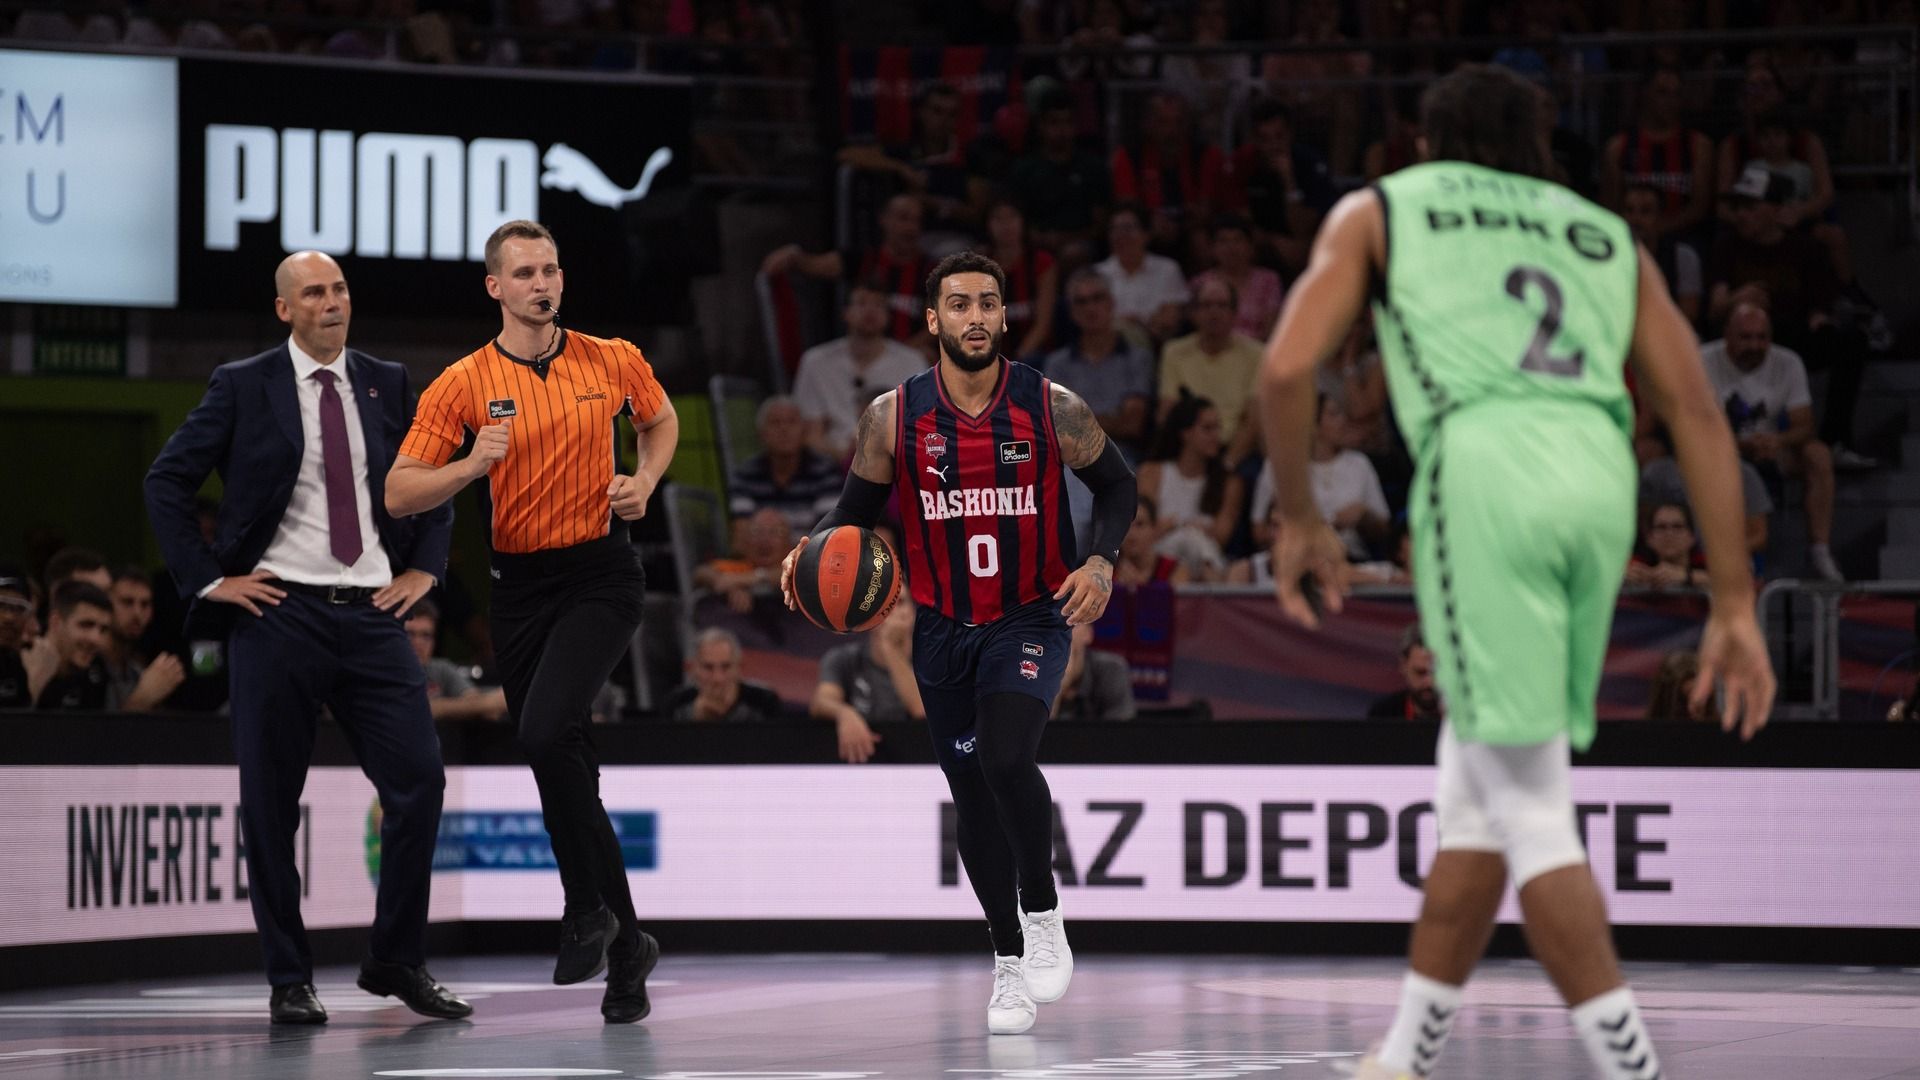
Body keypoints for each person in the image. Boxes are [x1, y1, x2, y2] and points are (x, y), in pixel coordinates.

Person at [1256, 65, 1774, 1080]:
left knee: (1530, 801)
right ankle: (1407, 1054)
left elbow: (1282, 367)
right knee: (1480, 782)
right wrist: (1733, 598)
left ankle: (1632, 1065)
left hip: (1487, 467)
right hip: (1600, 475)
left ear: (1426, 144)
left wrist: (1303, 518)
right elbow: (1697, 411)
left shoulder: (1384, 208)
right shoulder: (1605, 233)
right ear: (1540, 148)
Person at [780, 251, 1137, 1035]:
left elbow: (1118, 484)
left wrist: (1101, 561)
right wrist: (810, 552)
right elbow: (854, 513)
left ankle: (1043, 912)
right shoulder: (893, 416)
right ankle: (1007, 961)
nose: (975, 317)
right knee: (971, 794)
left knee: (1007, 759)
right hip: (941, 626)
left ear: (1004, 318)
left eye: (988, 303)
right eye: (959, 304)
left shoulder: (1051, 405)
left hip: (1029, 616)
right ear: (933, 320)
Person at [144, 251, 467, 1025]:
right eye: (315, 292)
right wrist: (209, 581)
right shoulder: (242, 384)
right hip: (277, 614)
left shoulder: (388, 381)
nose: (332, 302)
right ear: (284, 309)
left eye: (340, 289)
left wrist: (425, 567)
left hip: (374, 614)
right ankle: (289, 978)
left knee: (420, 782)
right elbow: (166, 481)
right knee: (270, 803)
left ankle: (395, 959)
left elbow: (432, 477)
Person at [386, 219, 678, 1024]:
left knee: (545, 732)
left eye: (550, 270)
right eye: (524, 274)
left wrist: (645, 480)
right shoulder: (463, 382)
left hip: (601, 576)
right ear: (495, 287)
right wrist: (470, 465)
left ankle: (585, 908)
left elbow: (659, 421)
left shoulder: (611, 358)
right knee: (565, 761)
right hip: (517, 590)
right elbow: (400, 491)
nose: (541, 284)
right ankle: (628, 948)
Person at [1702, 304, 1843, 581]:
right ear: (1727, 335)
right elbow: (1695, 425)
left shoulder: (1788, 362)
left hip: (1770, 448)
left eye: (1762, 337)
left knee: (1818, 454)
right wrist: (1739, 445)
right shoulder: (1702, 361)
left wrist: (1778, 440)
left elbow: (1804, 425)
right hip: (1718, 450)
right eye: (1746, 337)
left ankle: (1819, 551)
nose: (1755, 345)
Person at [790, 279, 930, 461]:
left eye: (878, 304)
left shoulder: (912, 361)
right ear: (846, 313)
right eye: (861, 303)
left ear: (888, 315)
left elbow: (920, 429)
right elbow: (810, 434)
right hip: (831, 463)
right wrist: (848, 458)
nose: (870, 311)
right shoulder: (816, 361)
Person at [1040, 269, 1155, 460]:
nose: (1090, 308)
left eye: (1097, 298)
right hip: (1071, 460)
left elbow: (1132, 425)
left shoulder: (1137, 358)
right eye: (1081, 302)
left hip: (1123, 458)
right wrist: (1113, 418)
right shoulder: (1057, 364)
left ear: (1111, 303)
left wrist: (1080, 420)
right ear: (1072, 311)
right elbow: (1059, 429)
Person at [1158, 276, 1264, 462]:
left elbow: (1253, 420)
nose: (1214, 312)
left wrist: (1228, 464)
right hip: (1188, 451)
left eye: (1222, 305)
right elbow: (1168, 412)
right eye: (1206, 305)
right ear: (1194, 313)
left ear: (1234, 313)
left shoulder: (1257, 354)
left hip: (1236, 450)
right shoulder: (1174, 352)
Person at [812, 597, 925, 760]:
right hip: (861, 761)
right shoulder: (843, 659)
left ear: (912, 612)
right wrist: (844, 713)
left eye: (900, 602)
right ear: (869, 617)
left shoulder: (931, 662)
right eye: (886, 604)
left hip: (918, 761)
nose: (892, 611)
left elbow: (921, 711)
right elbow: (821, 702)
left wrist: (890, 647)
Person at [727, 396, 842, 540]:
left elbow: (828, 535)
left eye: (791, 422)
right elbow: (741, 535)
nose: (784, 429)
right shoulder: (745, 475)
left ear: (804, 431)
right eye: (775, 423)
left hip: (810, 552)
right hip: (761, 552)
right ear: (761, 434)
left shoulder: (826, 473)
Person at [1094, 202, 1189, 344]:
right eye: (1115, 229)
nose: (1120, 235)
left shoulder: (1167, 269)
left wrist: (1132, 322)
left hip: (1157, 345)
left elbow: (1169, 320)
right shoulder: (1097, 274)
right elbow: (1095, 320)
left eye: (1127, 228)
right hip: (1108, 347)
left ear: (1146, 235)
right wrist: (1144, 321)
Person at [404, 599, 508, 721]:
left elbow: (476, 701)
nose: (418, 643)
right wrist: (490, 703)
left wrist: (487, 704)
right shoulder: (387, 672)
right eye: (410, 634)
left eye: (426, 635)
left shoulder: (439, 668)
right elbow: (418, 710)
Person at [104, 566, 186, 711]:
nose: (137, 613)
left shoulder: (139, 671)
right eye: (127, 602)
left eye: (145, 604)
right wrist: (143, 698)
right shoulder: (89, 665)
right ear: (105, 605)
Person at [667, 627, 783, 723]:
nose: (718, 678)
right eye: (708, 668)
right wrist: (695, 718)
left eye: (726, 667)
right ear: (693, 669)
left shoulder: (764, 701)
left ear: (738, 667)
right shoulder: (677, 703)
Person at [30, 581, 114, 710]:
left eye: (103, 630)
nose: (96, 639)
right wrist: (33, 683)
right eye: (86, 625)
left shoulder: (97, 671)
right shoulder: (21, 664)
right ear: (56, 622)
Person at [1052, 622, 1135, 722]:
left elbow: (1120, 728)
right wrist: (1057, 687)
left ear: (1088, 634)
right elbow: (1038, 728)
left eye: (1071, 624)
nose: (1061, 632)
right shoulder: (1038, 671)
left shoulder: (1111, 669)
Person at [1367, 624, 1443, 722]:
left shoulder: (1462, 714)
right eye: (1420, 673)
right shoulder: (1382, 715)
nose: (1429, 682)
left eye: (1436, 673)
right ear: (1403, 665)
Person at [1626, 502, 1707, 591]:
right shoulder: (1638, 564)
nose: (1669, 534)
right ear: (1649, 538)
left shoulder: (1708, 563)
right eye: (1661, 527)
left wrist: (1687, 577)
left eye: (1677, 527)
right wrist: (1620, 577)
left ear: (1692, 537)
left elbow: (1718, 579)